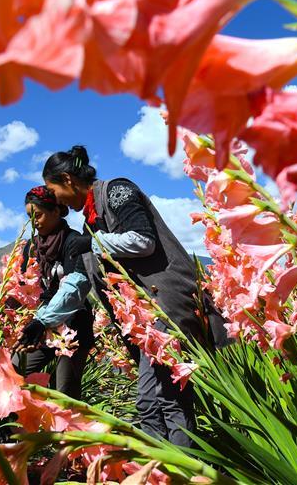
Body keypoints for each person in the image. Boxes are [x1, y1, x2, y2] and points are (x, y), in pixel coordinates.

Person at [42, 146, 226, 447]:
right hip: (145, 315)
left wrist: (93, 242)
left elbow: (144, 240)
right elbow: (80, 280)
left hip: (164, 302)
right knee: (151, 401)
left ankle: (185, 469)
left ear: (67, 179)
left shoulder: (117, 191)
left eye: (53, 189)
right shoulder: (89, 221)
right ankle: (163, 468)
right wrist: (42, 320)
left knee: (166, 396)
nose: (54, 199)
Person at [12, 185, 94, 400]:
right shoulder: (31, 246)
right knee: (16, 371)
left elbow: (75, 289)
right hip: (42, 325)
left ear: (56, 211)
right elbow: (23, 288)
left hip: (74, 325)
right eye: (30, 217)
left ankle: (68, 432)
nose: (34, 222)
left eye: (38, 215)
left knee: (64, 390)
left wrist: (41, 320)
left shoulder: (75, 242)